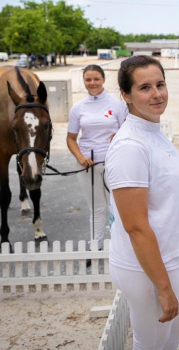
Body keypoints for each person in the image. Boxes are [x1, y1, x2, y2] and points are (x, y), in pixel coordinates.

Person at [104, 55, 179, 350]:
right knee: (152, 342)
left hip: (168, 251)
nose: (157, 94)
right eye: (145, 88)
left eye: (160, 84)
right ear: (126, 96)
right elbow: (135, 227)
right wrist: (162, 287)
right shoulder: (129, 147)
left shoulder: (153, 131)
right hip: (144, 263)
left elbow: (165, 186)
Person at [67, 65, 128, 247]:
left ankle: (119, 247)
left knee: (115, 207)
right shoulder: (78, 108)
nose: (92, 83)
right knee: (96, 207)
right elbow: (71, 139)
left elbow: (129, 131)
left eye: (96, 79)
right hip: (87, 165)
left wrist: (120, 136)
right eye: (88, 79)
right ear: (84, 81)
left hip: (114, 163)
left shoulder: (117, 104)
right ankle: (95, 246)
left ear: (103, 80)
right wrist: (80, 158)